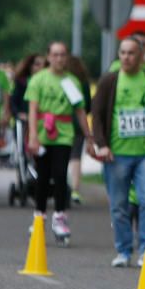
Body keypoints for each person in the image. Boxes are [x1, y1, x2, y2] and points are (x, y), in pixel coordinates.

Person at [91, 37, 145, 268]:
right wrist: (101, 144)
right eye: (123, 53)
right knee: (119, 204)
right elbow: (96, 113)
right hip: (116, 153)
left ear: (141, 56)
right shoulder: (110, 81)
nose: (126, 57)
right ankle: (123, 250)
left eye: (131, 53)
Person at [25, 42, 93, 241]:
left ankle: (60, 216)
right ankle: (39, 215)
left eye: (63, 55)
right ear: (48, 56)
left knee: (60, 173)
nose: (59, 59)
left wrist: (88, 135)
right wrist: (33, 136)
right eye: (55, 55)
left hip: (63, 133)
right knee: (43, 176)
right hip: (43, 132)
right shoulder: (38, 80)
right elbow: (33, 109)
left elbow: (80, 110)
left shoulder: (71, 81)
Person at [65, 55, 93, 205]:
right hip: (79, 125)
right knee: (76, 157)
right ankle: (75, 189)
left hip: (61, 124)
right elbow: (88, 105)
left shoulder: (62, 80)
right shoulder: (83, 82)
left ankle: (63, 186)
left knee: (62, 156)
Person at [11, 54, 46, 120]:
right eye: (37, 64)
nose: (41, 67)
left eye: (44, 64)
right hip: (25, 121)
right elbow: (13, 102)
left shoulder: (48, 83)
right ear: (30, 66)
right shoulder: (21, 82)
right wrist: (19, 114)